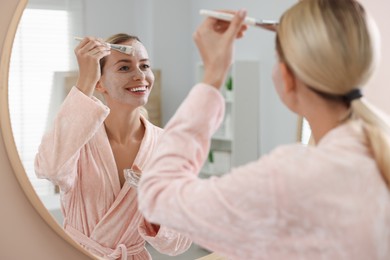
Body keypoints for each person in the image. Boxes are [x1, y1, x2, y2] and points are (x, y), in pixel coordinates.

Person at [138, 1, 390, 259]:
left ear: (287, 76)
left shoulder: (289, 179)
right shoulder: (377, 152)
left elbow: (157, 196)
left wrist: (213, 75)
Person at [35, 33, 191, 260]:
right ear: (99, 83)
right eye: (124, 68)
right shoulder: (79, 139)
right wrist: (84, 81)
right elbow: (48, 168)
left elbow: (179, 242)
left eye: (145, 65)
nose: (140, 75)